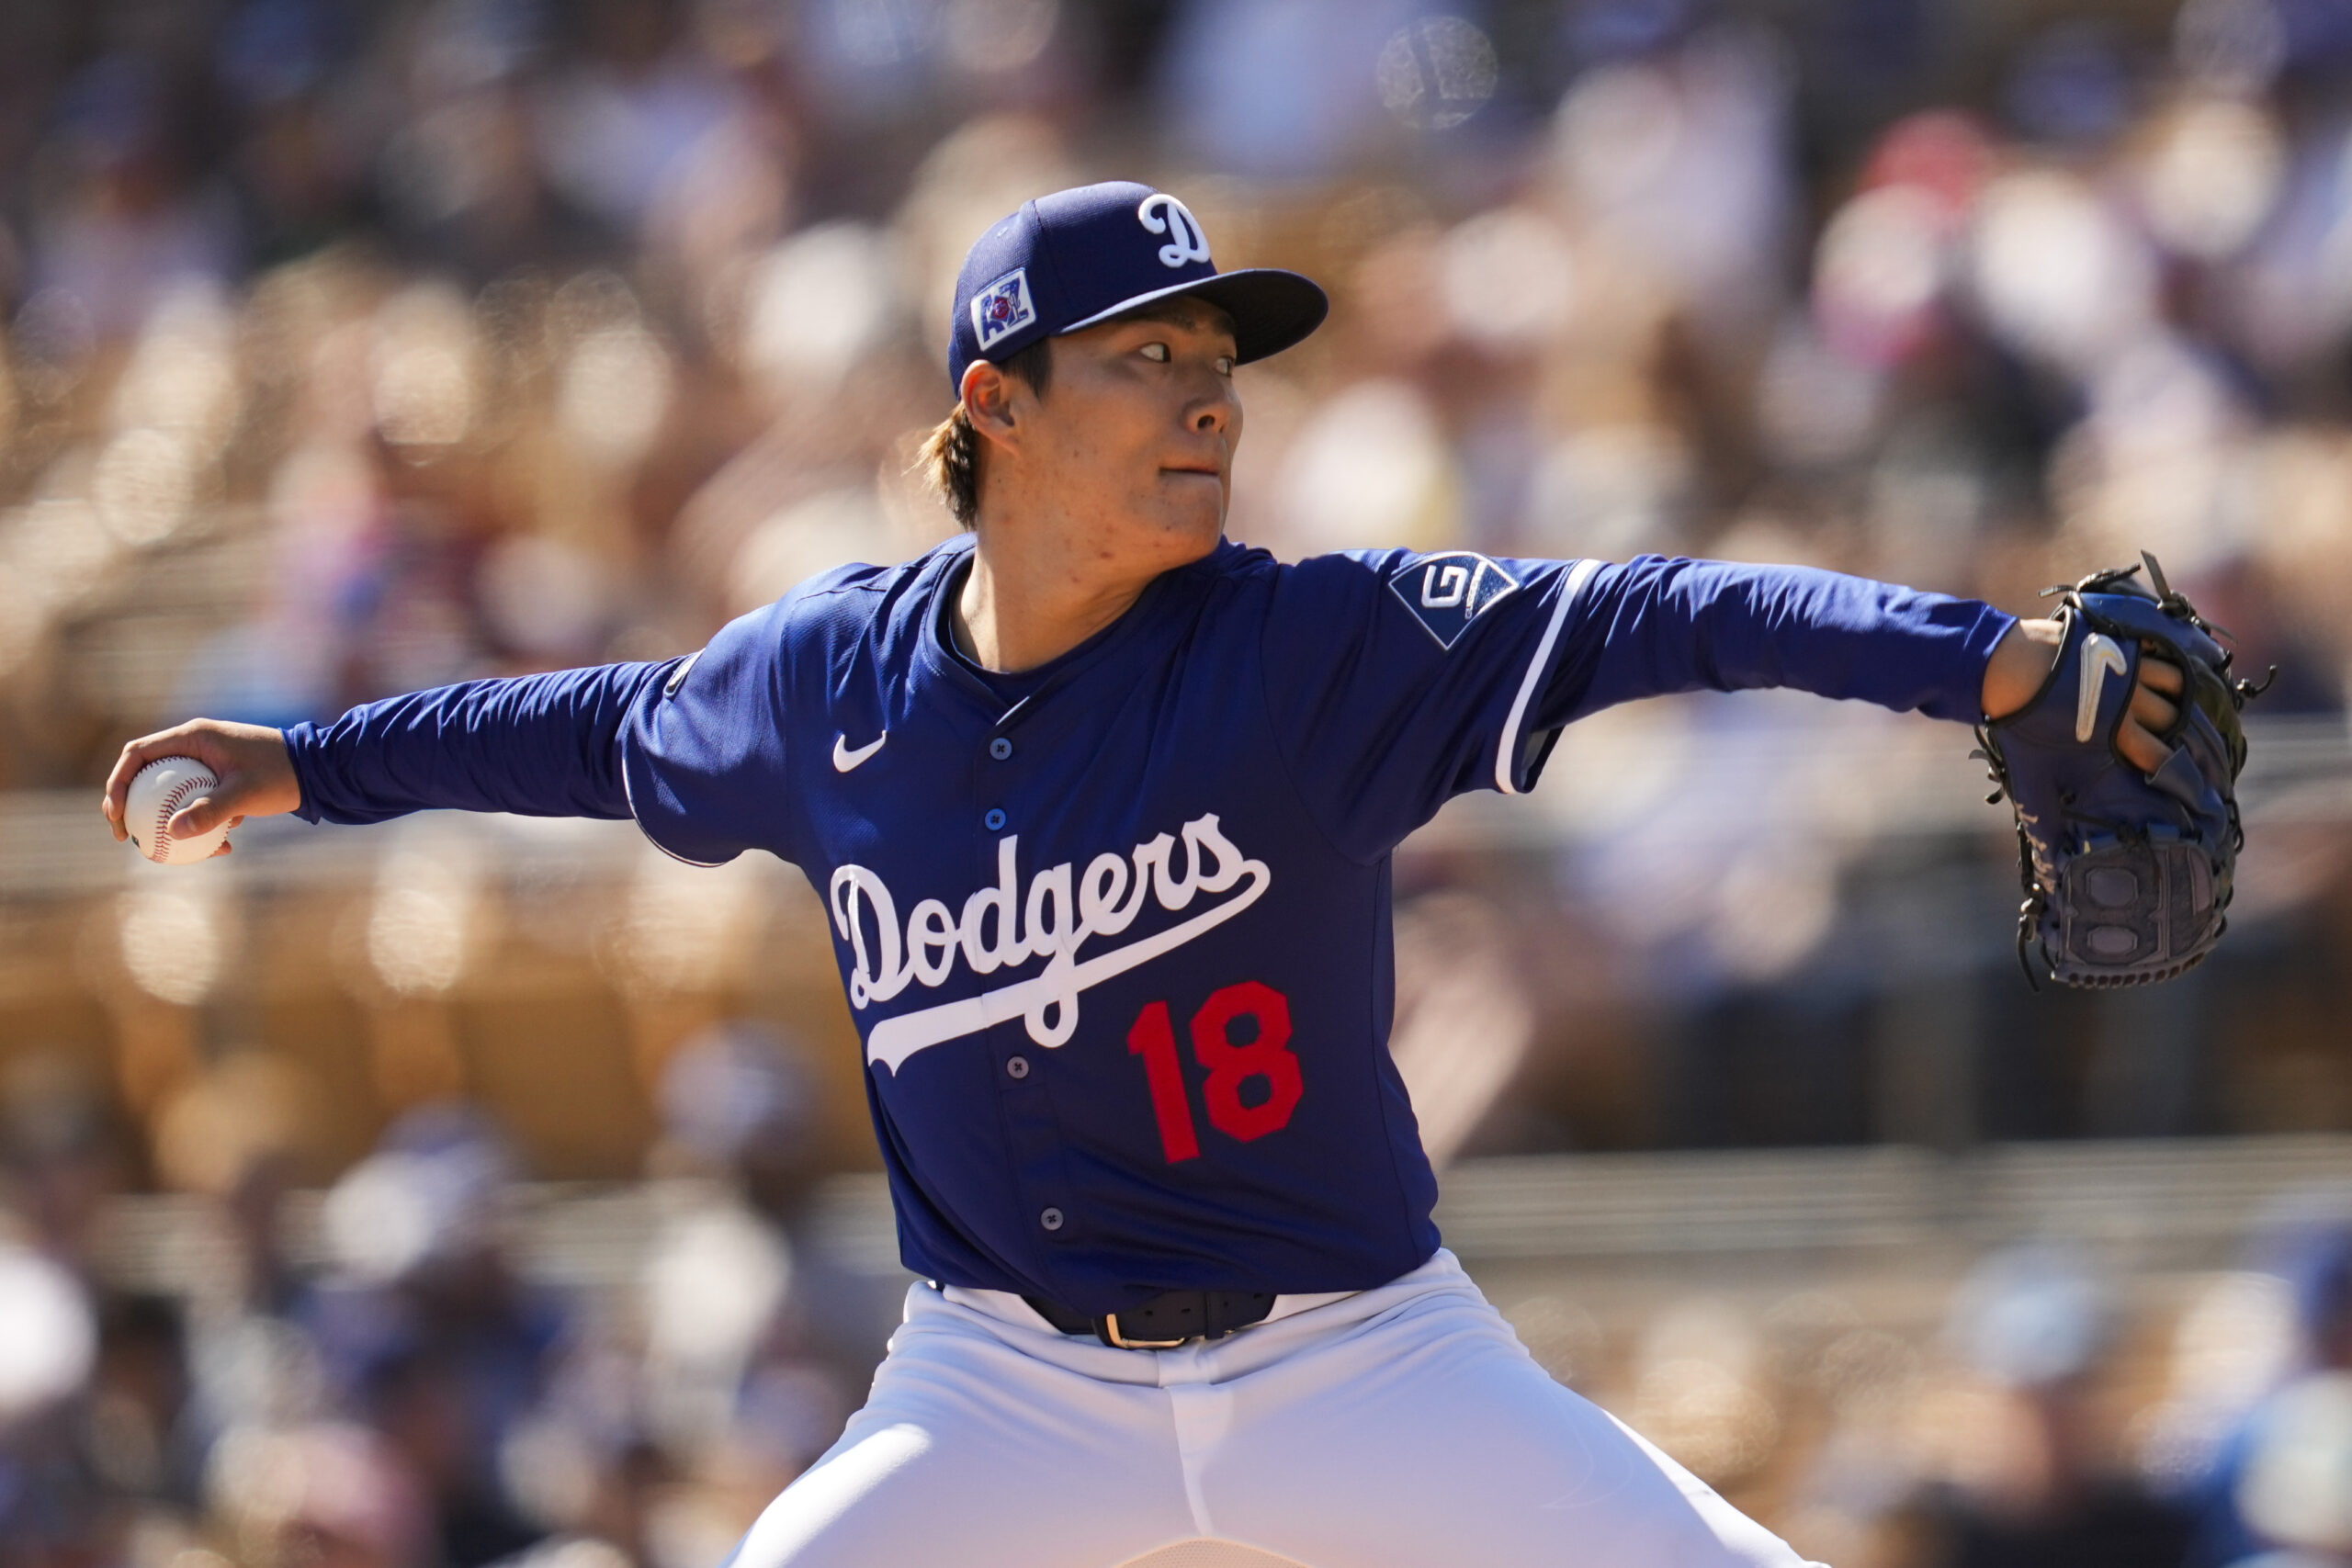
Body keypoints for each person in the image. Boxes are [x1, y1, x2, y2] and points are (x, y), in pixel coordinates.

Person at [102, 182, 2188, 1568]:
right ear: (991, 405)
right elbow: (581, 727)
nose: (1208, 402)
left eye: (1219, 364)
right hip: (999, 1374)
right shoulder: (822, 678)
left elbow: (1657, 611)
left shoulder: (1308, 643)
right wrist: (302, 759)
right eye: (1148, 363)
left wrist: (1979, 655)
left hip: (1357, 1349)